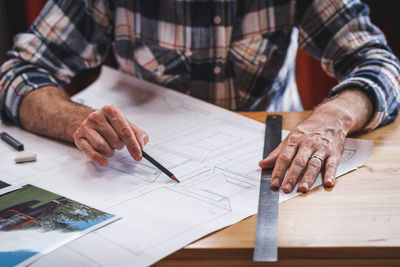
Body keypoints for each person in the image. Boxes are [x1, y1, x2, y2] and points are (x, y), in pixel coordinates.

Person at [0, 0, 399, 194]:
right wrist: (73, 119)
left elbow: (379, 62)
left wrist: (333, 119)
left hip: (272, 161)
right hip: (142, 170)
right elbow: (19, 71)